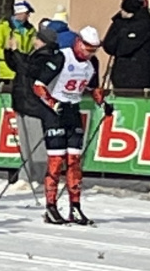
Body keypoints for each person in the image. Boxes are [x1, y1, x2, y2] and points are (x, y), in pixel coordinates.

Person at [33, 25, 104, 225]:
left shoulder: (92, 63)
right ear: (78, 42)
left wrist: (103, 103)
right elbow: (39, 85)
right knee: (56, 162)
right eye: (87, 48)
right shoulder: (62, 57)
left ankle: (75, 207)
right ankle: (51, 207)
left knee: (74, 161)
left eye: (94, 50)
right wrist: (53, 104)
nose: (89, 53)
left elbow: (93, 87)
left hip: (73, 111)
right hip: (55, 112)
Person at [0, 0, 36, 82]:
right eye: (26, 13)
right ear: (18, 13)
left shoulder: (31, 30)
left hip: (24, 72)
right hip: (6, 73)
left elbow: (32, 49)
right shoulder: (2, 28)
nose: (28, 16)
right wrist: (10, 56)